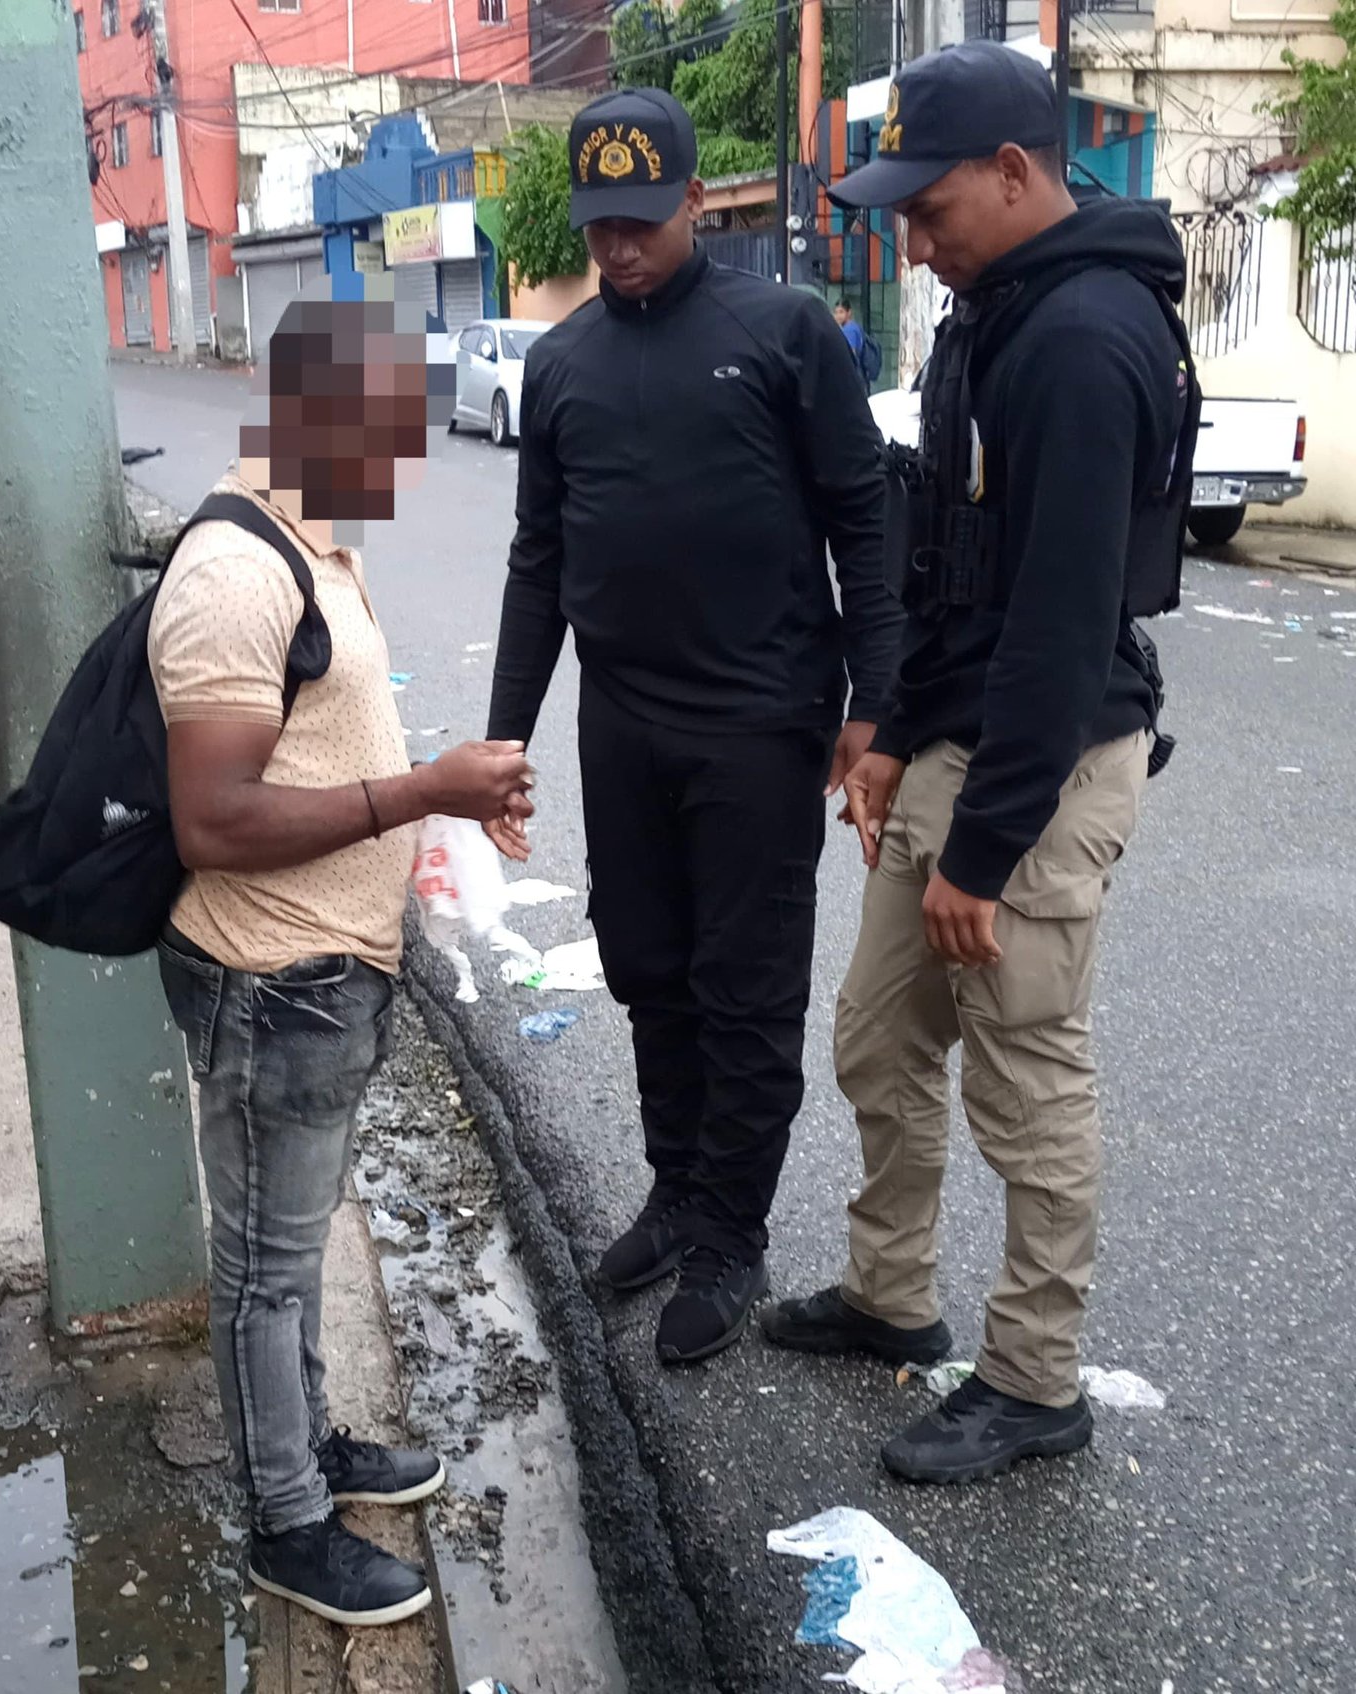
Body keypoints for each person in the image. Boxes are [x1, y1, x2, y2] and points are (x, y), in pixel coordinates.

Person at [761, 40, 1192, 1483]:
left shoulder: (1079, 343)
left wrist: (985, 852)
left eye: (929, 210)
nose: (911, 242)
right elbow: (956, 567)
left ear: (1014, 173)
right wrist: (891, 731)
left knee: (1025, 1076)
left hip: (1042, 766)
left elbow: (1063, 629)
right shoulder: (991, 311)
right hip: (959, 736)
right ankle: (890, 1291)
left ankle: (1032, 1377)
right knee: (879, 1034)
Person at [484, 88, 899, 1366]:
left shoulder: (781, 331)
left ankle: (729, 1232)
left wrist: (873, 704)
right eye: (598, 225)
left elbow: (865, 520)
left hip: (759, 724)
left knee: (744, 986)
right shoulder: (560, 363)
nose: (617, 247)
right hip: (622, 722)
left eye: (641, 221)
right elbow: (538, 561)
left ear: (693, 202)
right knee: (645, 963)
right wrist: (504, 739)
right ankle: (676, 1190)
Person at [150, 288, 535, 1620]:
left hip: (327, 974)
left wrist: (445, 806)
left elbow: (325, 744)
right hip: (270, 980)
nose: (406, 453)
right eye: (388, 426)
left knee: (293, 1244)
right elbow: (212, 818)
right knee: (264, 1269)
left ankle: (305, 1445)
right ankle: (286, 1521)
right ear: (310, 412)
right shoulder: (234, 573)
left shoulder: (313, 540)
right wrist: (422, 791)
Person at [833, 298, 869, 385]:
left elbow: (850, 355)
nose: (838, 316)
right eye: (836, 312)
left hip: (851, 375)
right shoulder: (854, 326)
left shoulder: (849, 330)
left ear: (849, 312)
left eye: (841, 312)